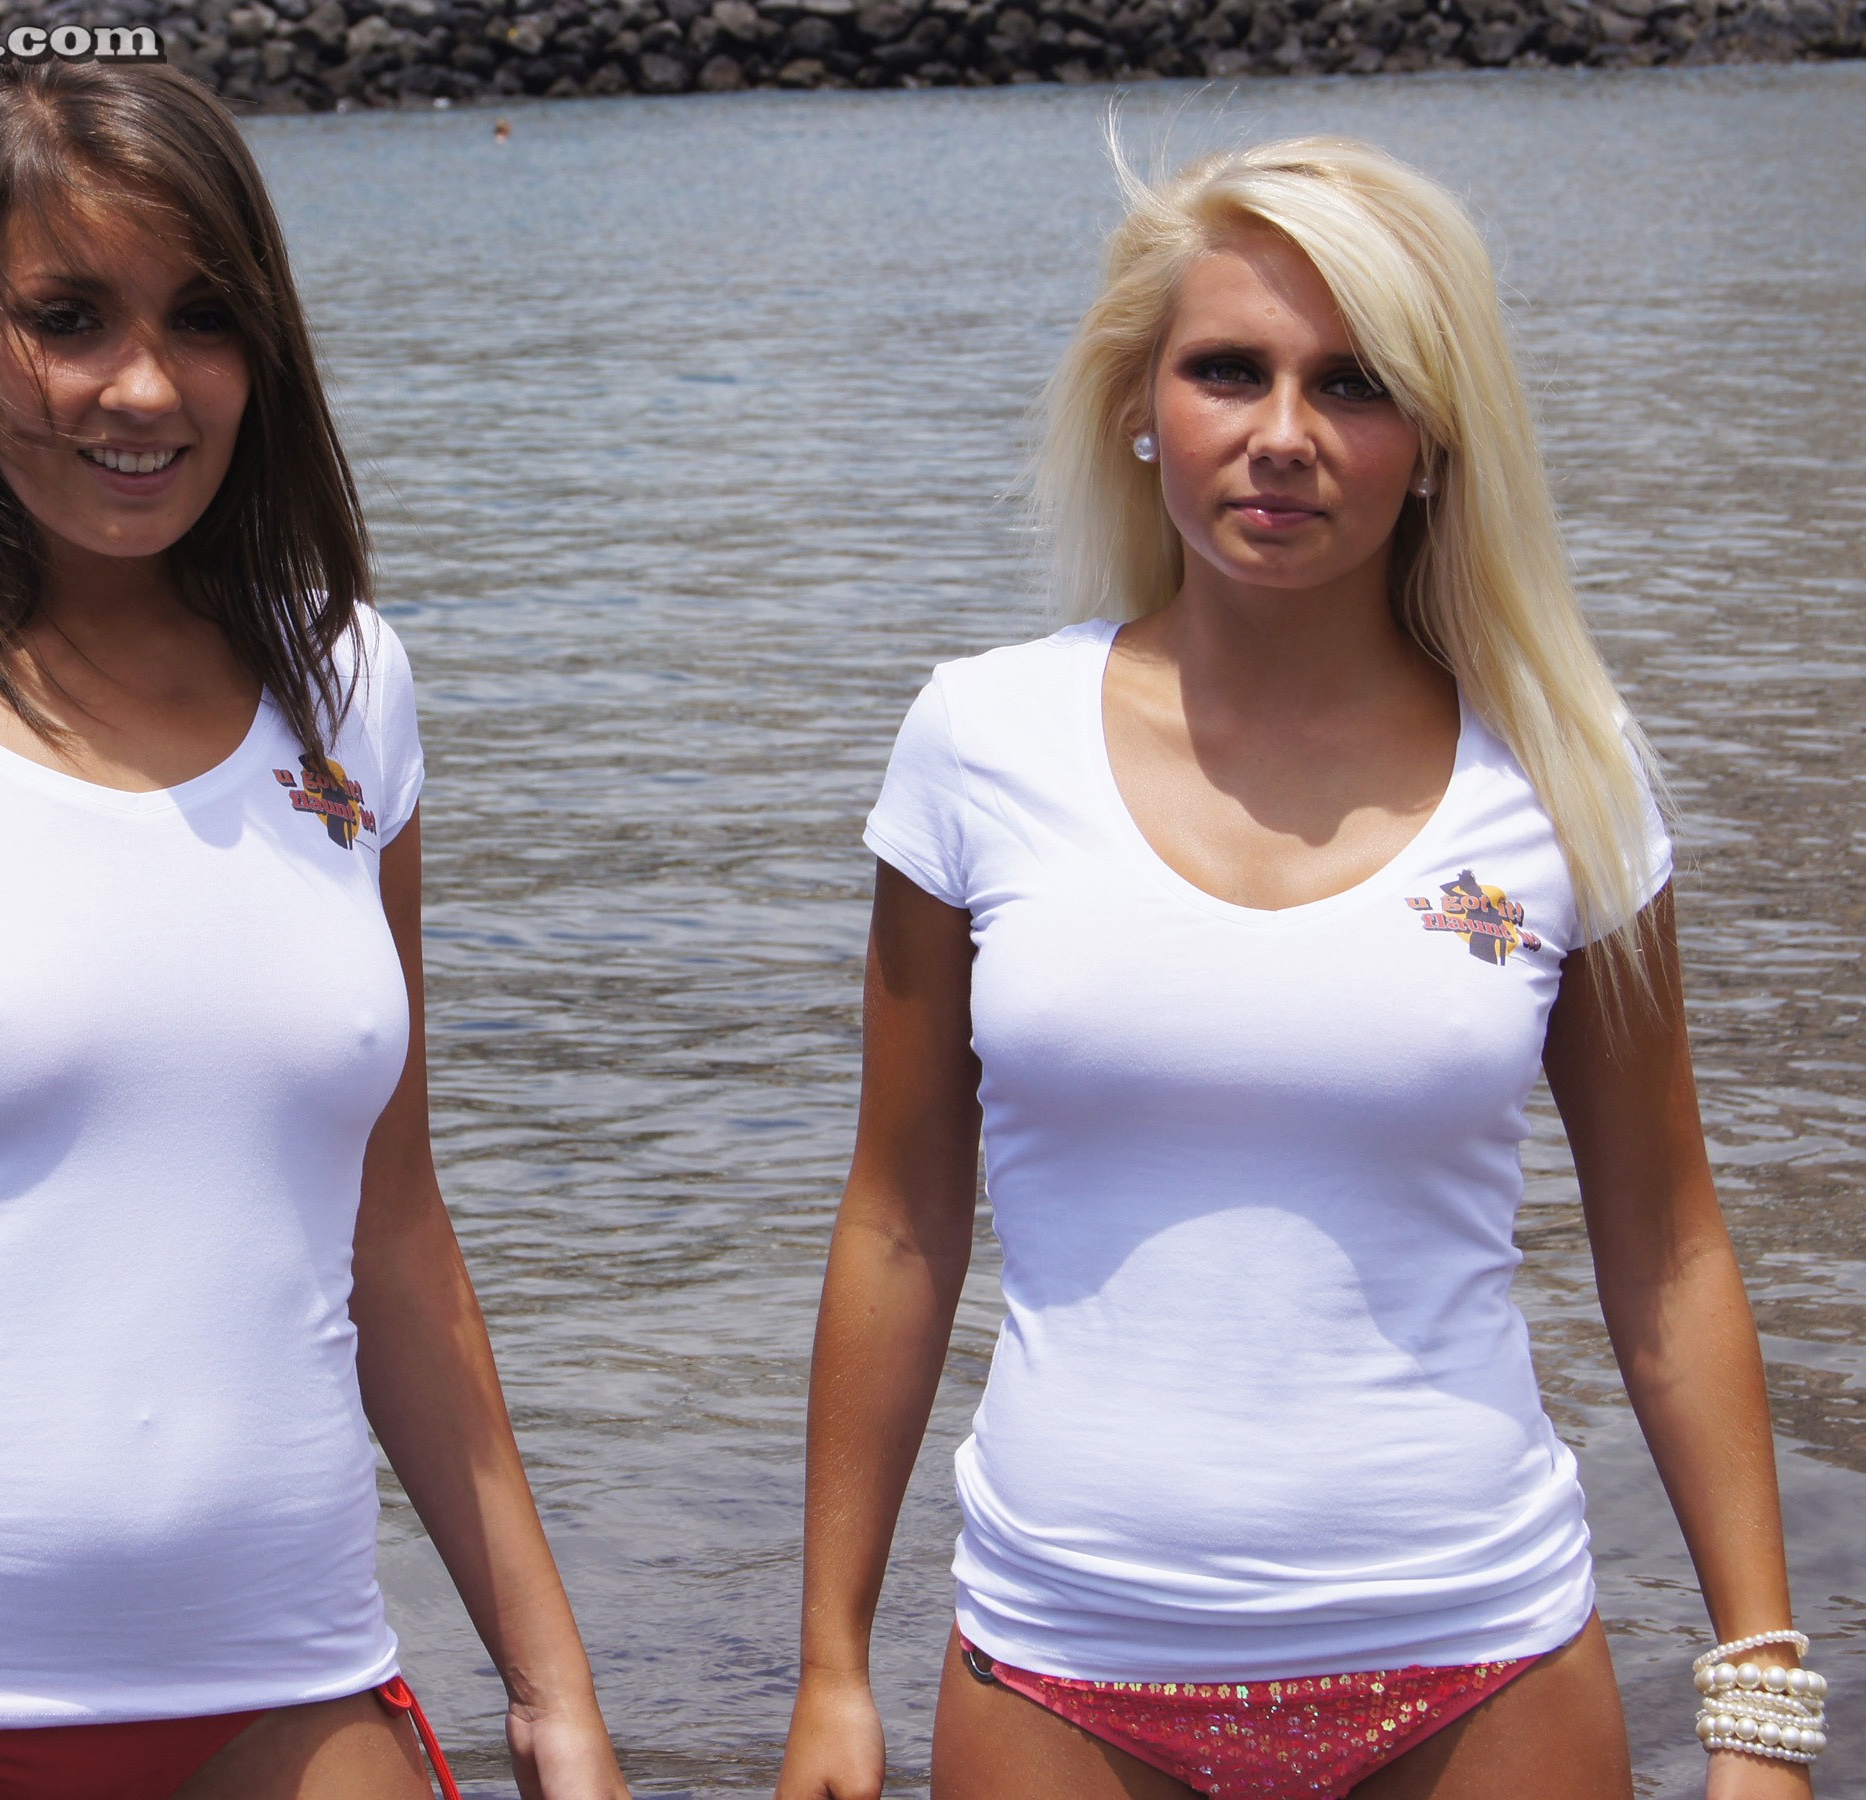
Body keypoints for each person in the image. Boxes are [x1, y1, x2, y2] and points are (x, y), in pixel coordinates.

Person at [0, 61, 630, 1800]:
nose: (144, 387)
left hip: (289, 1673)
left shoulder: (348, 684)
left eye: (202, 319)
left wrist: (553, 1687)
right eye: (66, 317)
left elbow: (392, 1219)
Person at [773, 137, 1825, 1800]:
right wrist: (833, 1666)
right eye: (1227, 371)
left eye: (1354, 383)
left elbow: (1668, 1238)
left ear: (1437, 437)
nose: (1283, 434)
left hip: (1483, 1655)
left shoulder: (1564, 765)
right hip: (1063, 1659)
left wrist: (1759, 1690)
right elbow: (899, 1217)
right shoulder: (980, 741)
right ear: (1141, 404)